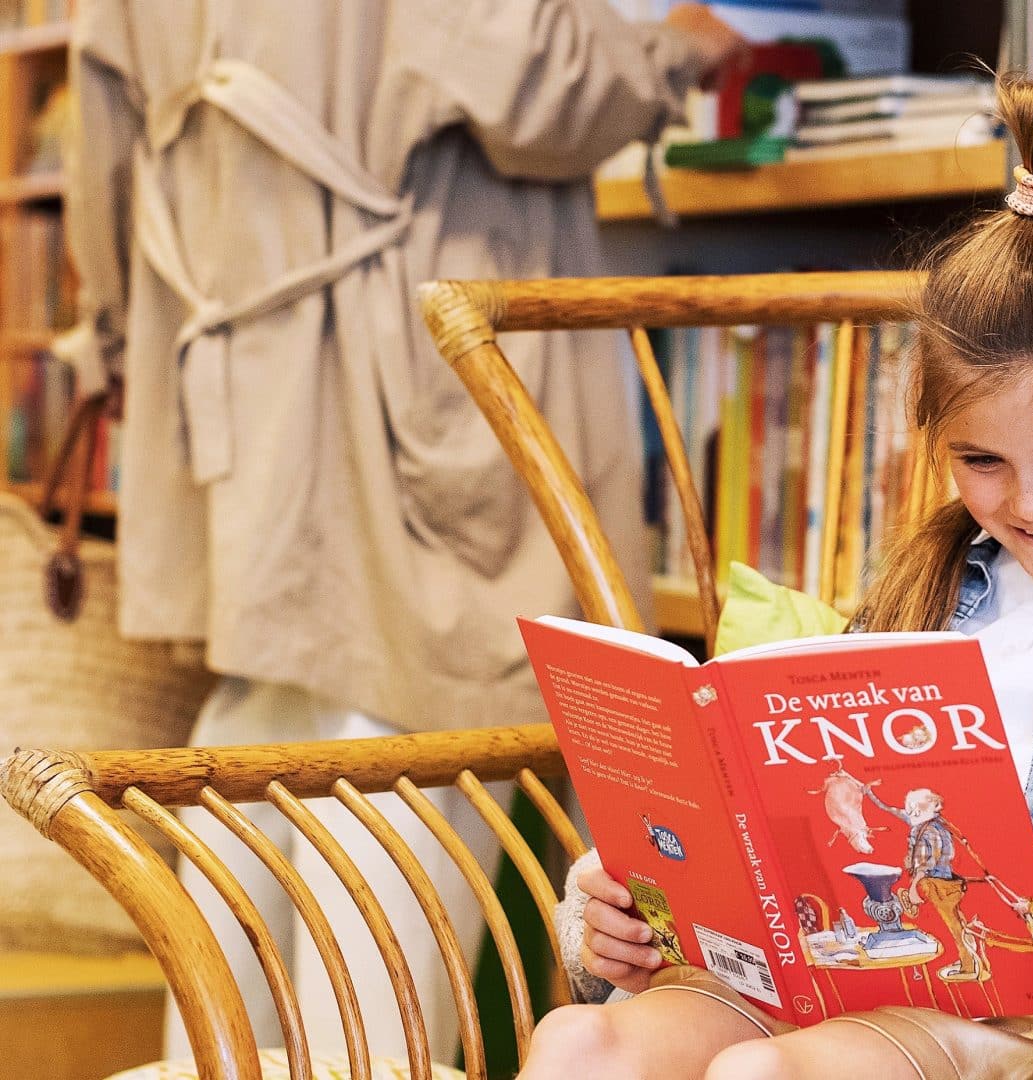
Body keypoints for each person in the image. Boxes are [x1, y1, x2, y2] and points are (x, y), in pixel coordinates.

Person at [531, 74, 1033, 1080]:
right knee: (583, 1041)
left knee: (767, 1075)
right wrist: (631, 900)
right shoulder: (929, 588)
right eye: (981, 462)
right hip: (841, 977)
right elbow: (785, 825)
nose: (1030, 505)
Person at [61, 0, 742, 1062]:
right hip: (394, 369)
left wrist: (120, 336)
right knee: (413, 744)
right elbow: (545, 82)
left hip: (235, 371)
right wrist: (677, 45)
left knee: (260, 731)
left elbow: (104, 126)